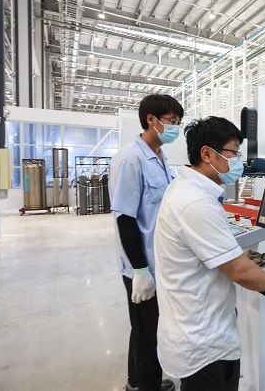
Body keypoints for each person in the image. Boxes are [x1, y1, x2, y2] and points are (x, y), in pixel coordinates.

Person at [154, 116, 265, 391]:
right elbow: (240, 273)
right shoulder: (196, 202)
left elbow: (209, 254)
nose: (238, 160)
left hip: (194, 329)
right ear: (207, 154)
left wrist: (234, 256)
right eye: (233, 153)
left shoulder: (186, 188)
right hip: (203, 345)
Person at [108, 94, 184, 391]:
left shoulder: (161, 158)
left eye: (178, 122)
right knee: (149, 332)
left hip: (158, 261)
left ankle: (136, 382)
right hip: (142, 265)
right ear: (151, 120)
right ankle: (148, 385)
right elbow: (125, 219)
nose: (175, 127)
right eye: (171, 121)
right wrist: (139, 270)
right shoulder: (131, 159)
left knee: (143, 329)